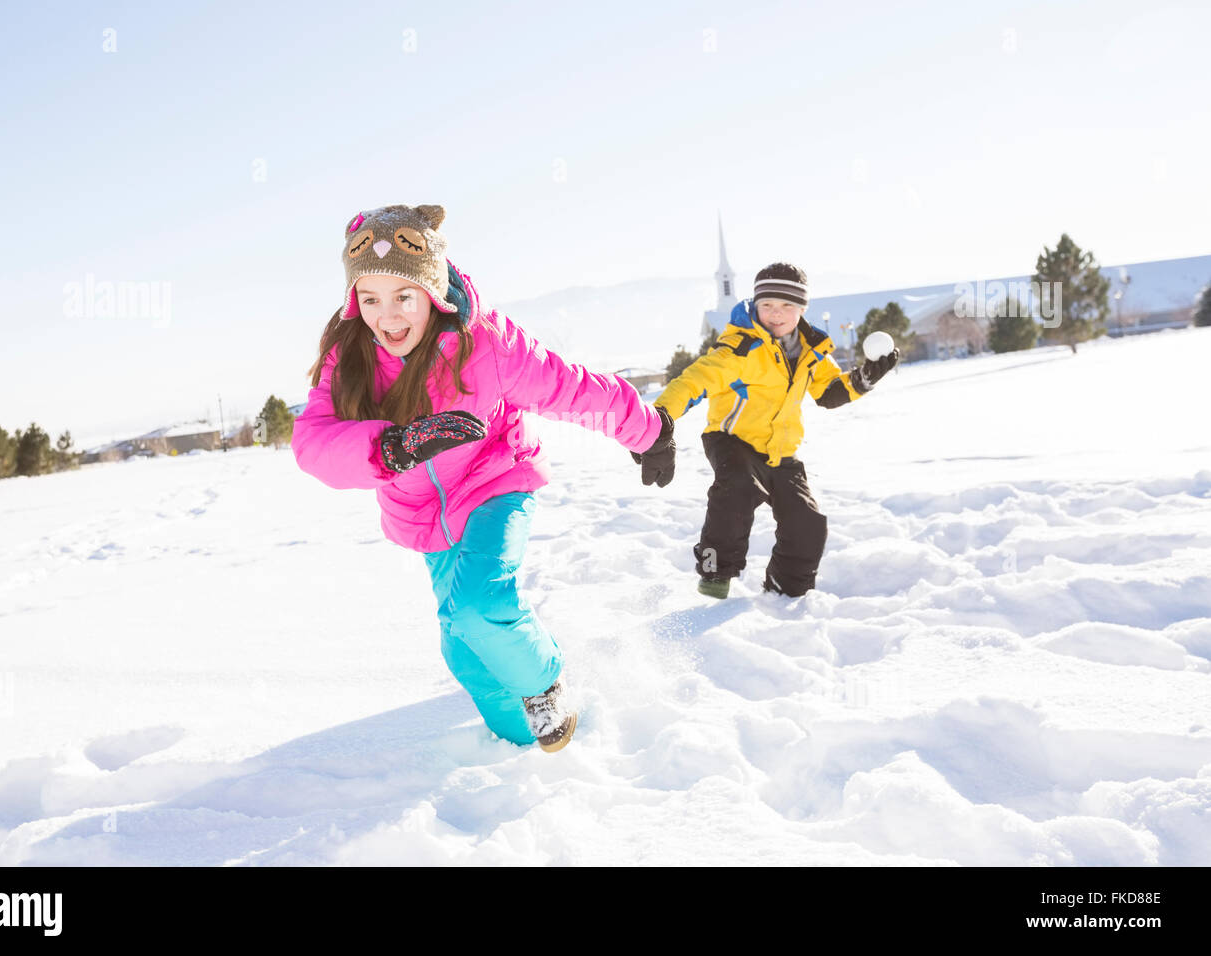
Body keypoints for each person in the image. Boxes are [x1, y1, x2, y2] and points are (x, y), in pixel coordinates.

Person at [291, 203, 677, 752]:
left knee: (479, 604)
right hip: (423, 515)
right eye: (370, 299)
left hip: (495, 482)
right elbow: (313, 442)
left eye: (403, 296)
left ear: (432, 290)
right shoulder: (349, 357)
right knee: (462, 648)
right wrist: (393, 447)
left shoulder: (485, 343)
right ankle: (525, 748)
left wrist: (647, 431)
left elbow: (570, 388)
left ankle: (544, 686)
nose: (388, 316)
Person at [653, 262, 900, 599]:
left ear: (802, 309)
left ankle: (787, 590)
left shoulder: (811, 351)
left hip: (781, 451)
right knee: (738, 489)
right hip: (731, 440)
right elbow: (694, 381)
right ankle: (714, 573)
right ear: (755, 305)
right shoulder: (740, 348)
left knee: (808, 522)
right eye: (767, 305)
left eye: (787, 305)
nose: (776, 314)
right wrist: (659, 418)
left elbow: (828, 393)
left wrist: (864, 379)